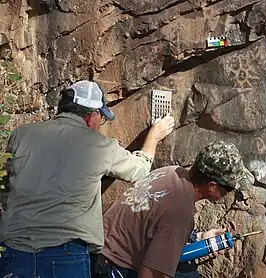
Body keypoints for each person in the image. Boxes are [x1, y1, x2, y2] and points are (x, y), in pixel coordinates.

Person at [0, 80, 175, 278]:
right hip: (66, 253)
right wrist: (154, 136)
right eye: (101, 119)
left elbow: (6, 188)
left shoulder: (21, 136)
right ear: (92, 116)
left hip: (13, 250)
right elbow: (140, 171)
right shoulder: (99, 145)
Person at [93, 140, 255, 278]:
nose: (228, 193)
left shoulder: (171, 172)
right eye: (229, 189)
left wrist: (198, 238)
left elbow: (154, 227)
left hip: (100, 253)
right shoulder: (180, 213)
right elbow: (149, 274)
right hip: (113, 269)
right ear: (212, 186)